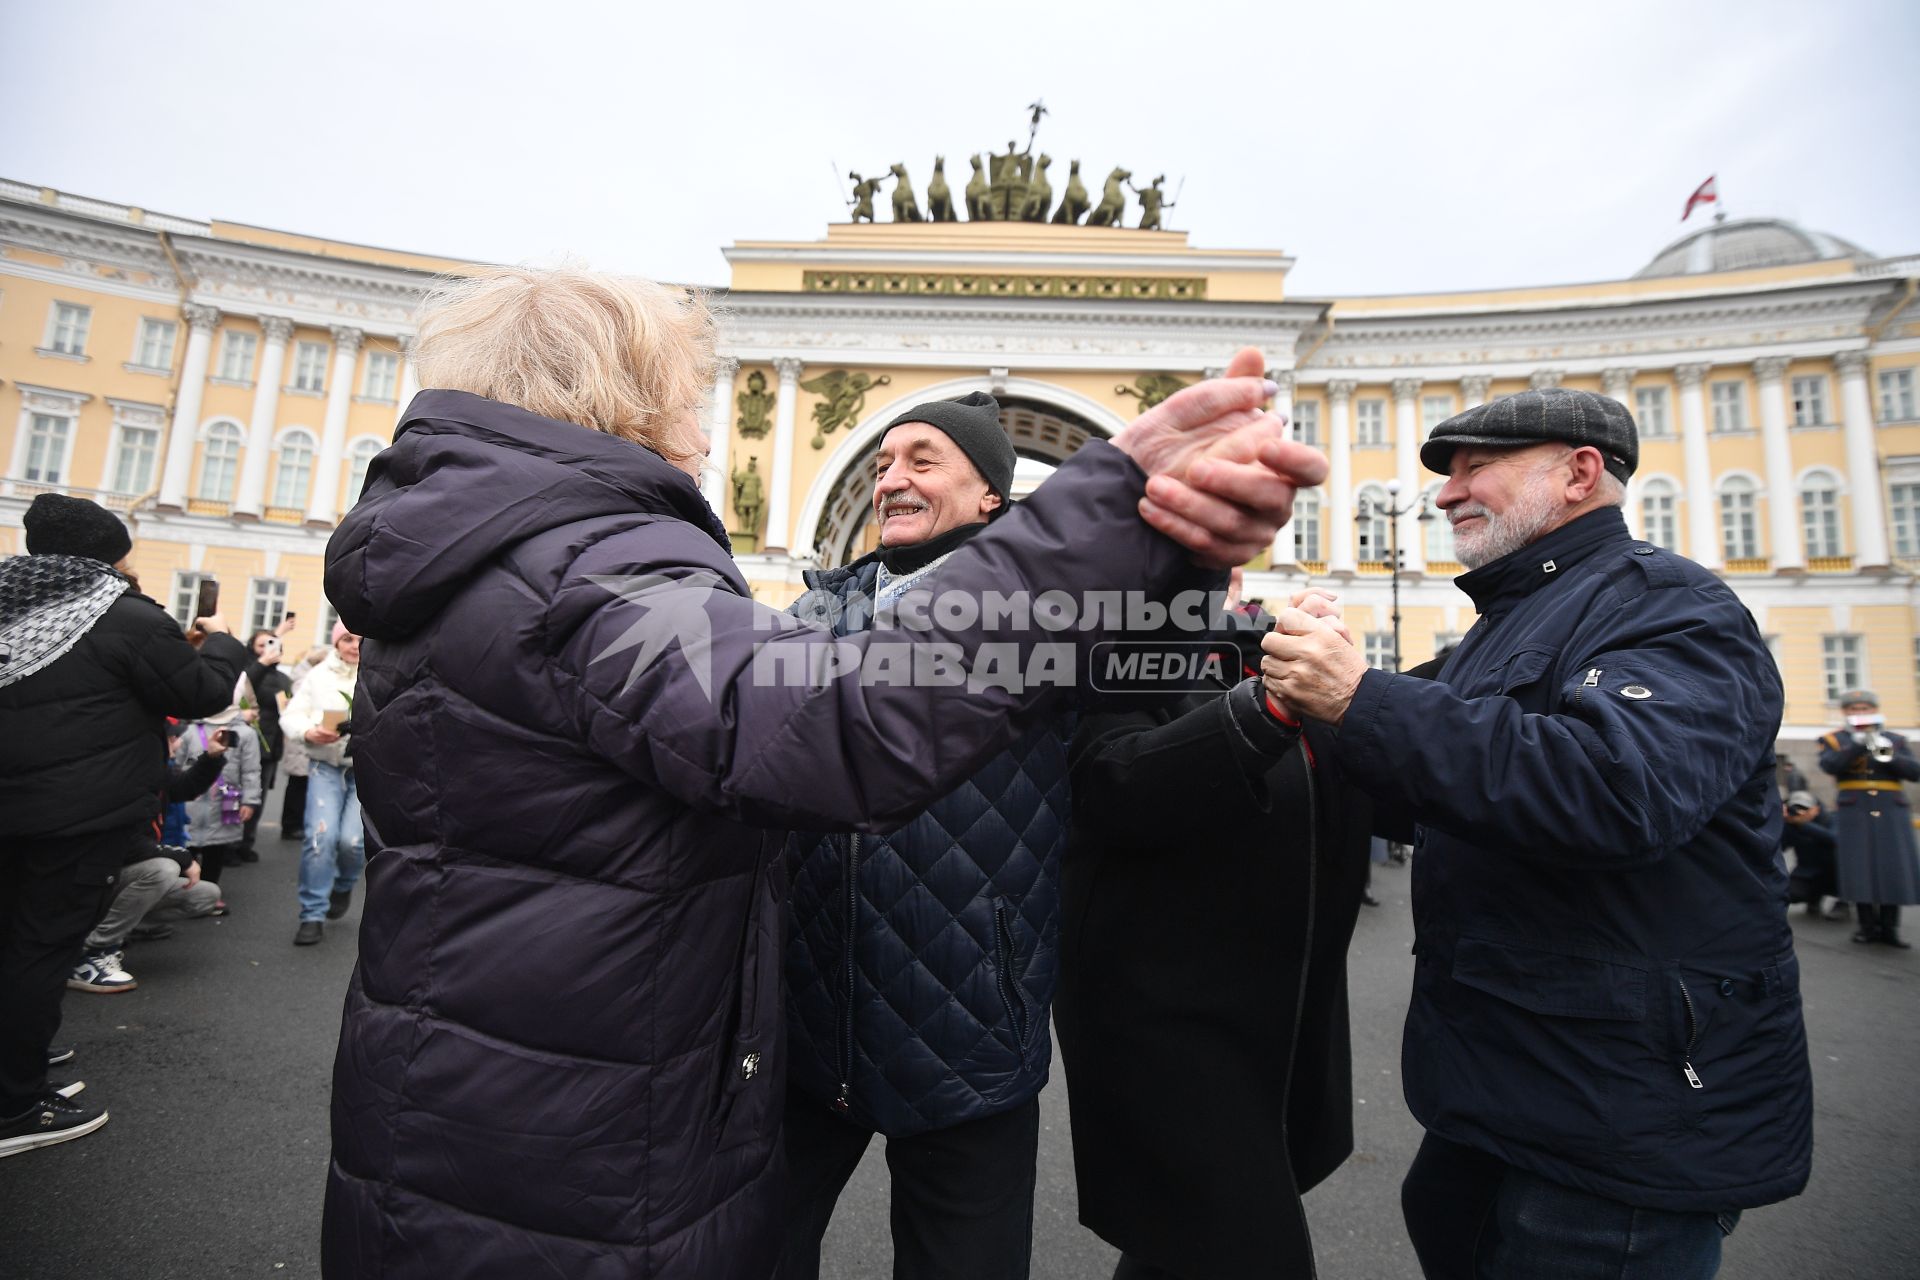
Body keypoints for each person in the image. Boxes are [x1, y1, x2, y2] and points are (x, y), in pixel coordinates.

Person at [316, 265, 1321, 1279]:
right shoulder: (601, 573)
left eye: (922, 457)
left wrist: (1173, 559)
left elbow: (1138, 689)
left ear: (987, 488)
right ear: (616, 396)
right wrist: (1107, 505)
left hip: (529, 1083)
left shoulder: (492, 558)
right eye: (686, 397)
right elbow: (839, 714)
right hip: (610, 1105)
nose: (707, 433)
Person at [1259, 387, 1811, 1280]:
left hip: (1622, 1123)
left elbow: (1616, 794)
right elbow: (1419, 781)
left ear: (1579, 474)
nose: (1445, 493)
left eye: (1477, 466)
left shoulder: (1673, 604)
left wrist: (1359, 697)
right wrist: (1290, 687)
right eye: (1446, 473)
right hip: (1506, 1094)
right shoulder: (1511, 624)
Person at [778, 392, 1102, 1278]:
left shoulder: (1052, 623)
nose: (892, 479)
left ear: (991, 494)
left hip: (972, 1035)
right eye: (883, 464)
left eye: (923, 460)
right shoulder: (808, 620)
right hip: (806, 1022)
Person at [1053, 597, 1373, 1280]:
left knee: (1178, 1247)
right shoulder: (1106, 646)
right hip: (1170, 1035)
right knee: (1252, 1252)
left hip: (1276, 1029)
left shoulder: (1248, 645)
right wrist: (1269, 710)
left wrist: (1348, 688)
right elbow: (1114, 781)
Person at [0, 493, 247, 1158]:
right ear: (108, 554)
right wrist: (220, 640)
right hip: (75, 818)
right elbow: (201, 693)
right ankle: (15, 1104)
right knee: (40, 950)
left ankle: (16, 1072)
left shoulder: (8, 599)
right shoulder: (120, 612)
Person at [68, 727, 229, 992]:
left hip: (119, 878)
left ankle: (120, 930)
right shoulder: (118, 776)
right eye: (170, 739)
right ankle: (90, 953)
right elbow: (125, 845)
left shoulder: (152, 770)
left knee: (206, 894)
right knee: (162, 869)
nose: (176, 744)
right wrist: (181, 856)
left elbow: (183, 788)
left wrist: (211, 758)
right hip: (94, 880)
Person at [280, 624, 362, 945]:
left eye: (360, 640)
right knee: (320, 837)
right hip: (324, 765)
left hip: (364, 770)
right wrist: (309, 731)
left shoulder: (379, 673)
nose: (354, 646)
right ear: (336, 642)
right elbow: (292, 715)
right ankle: (312, 913)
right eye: (347, 639)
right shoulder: (319, 675)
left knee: (352, 841)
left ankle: (343, 885)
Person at [1819, 690, 1919, 947]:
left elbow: (1914, 772)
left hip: (1890, 808)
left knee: (1891, 866)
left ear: (1874, 710)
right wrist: (1858, 744)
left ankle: (1889, 928)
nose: (1859, 712)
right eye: (1854, 709)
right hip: (1855, 807)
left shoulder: (1894, 739)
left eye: (1864, 708)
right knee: (1858, 865)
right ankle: (1866, 926)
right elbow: (1831, 766)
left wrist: (1888, 752)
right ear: (1845, 712)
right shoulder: (1834, 739)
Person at [172, 706, 261, 897]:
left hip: (224, 802)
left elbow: (251, 770)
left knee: (217, 848)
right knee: (187, 846)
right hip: (191, 801)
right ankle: (184, 893)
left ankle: (209, 892)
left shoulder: (245, 733)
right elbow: (176, 766)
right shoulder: (190, 730)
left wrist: (250, 800)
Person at [236, 618, 297, 860]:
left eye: (271, 644)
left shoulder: (283, 678)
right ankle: (229, 844)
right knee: (238, 794)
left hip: (271, 744)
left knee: (257, 797)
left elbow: (286, 707)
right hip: (247, 741)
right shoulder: (248, 671)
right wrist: (260, 663)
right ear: (251, 647)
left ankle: (246, 844)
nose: (267, 649)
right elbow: (242, 688)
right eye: (261, 645)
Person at [1781, 790, 1844, 920]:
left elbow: (1833, 838)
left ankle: (1843, 904)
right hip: (1808, 871)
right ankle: (1813, 898)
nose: (1800, 812)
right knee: (1790, 894)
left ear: (1816, 809)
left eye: (1805, 808)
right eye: (1797, 808)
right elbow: (1780, 847)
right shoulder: (1791, 824)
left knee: (1847, 875)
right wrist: (1780, 824)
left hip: (1836, 872)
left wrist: (1803, 824)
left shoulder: (1832, 818)